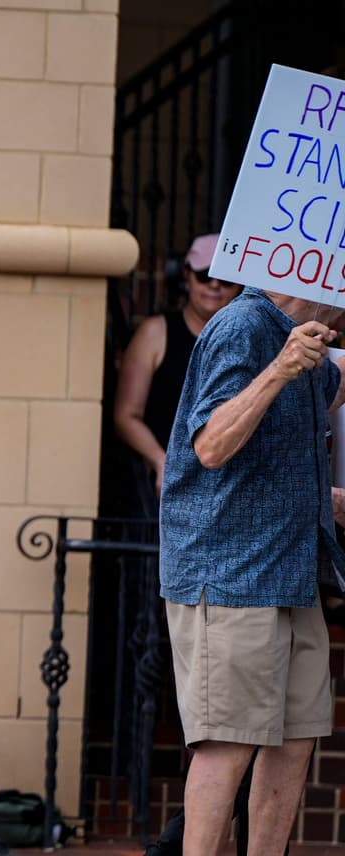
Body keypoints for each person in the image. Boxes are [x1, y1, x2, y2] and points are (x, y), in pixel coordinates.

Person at [158, 283, 345, 856]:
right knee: (227, 747)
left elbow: (321, 403)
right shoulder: (243, 325)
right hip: (232, 573)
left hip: (292, 573)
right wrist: (281, 367)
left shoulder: (315, 348)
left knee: (294, 744)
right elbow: (210, 444)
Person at [114, 234, 241, 500]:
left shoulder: (248, 341)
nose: (215, 285)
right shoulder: (155, 333)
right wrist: (162, 462)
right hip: (163, 489)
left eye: (226, 279)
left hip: (228, 486)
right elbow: (126, 416)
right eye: (205, 275)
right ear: (186, 275)